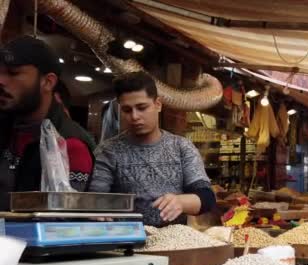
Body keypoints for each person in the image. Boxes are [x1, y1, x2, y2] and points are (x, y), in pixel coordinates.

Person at [88, 72, 216, 226]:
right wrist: (99, 210)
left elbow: (207, 198)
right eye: (127, 110)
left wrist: (181, 202)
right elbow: (96, 197)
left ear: (158, 105)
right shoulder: (108, 151)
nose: (135, 116)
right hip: (125, 243)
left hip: (173, 244)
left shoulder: (182, 147)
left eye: (142, 108)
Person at [0, 36, 95, 211]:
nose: (1, 80)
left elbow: (60, 224)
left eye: (13, 73)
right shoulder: (7, 127)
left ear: (48, 82)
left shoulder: (70, 145)